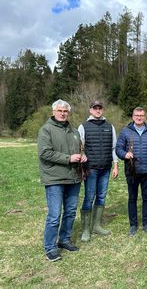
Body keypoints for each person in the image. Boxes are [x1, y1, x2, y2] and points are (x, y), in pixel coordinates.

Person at [37, 99, 87, 262]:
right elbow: (45, 153)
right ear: (53, 112)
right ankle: (50, 247)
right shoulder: (46, 130)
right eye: (59, 111)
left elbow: (80, 149)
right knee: (54, 215)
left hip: (73, 178)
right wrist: (69, 158)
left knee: (71, 211)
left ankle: (64, 240)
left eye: (65, 111)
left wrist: (82, 156)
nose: (62, 113)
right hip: (55, 178)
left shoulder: (73, 130)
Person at [77, 100, 119, 242]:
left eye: (100, 108)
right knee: (89, 197)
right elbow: (79, 147)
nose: (97, 110)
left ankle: (96, 226)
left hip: (105, 168)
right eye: (95, 108)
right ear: (90, 110)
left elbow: (114, 148)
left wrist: (116, 165)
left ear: (102, 110)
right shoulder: (83, 127)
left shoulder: (110, 127)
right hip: (91, 168)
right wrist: (82, 158)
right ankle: (86, 230)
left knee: (101, 197)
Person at [116, 107, 147, 236]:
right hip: (132, 171)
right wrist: (125, 154)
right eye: (137, 115)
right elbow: (118, 148)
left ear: (145, 117)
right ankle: (133, 225)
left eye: (141, 115)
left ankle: (146, 224)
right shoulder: (125, 132)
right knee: (132, 198)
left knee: (146, 198)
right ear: (132, 116)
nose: (139, 117)